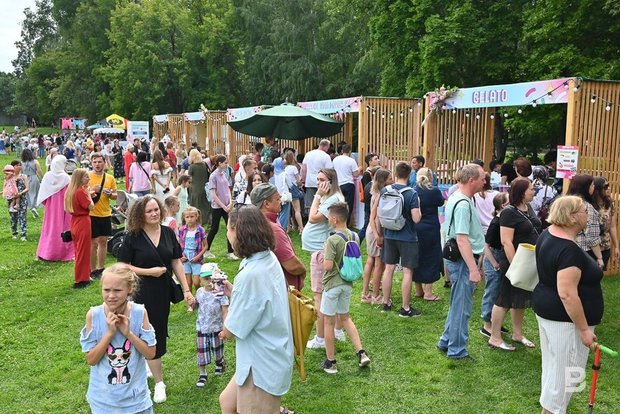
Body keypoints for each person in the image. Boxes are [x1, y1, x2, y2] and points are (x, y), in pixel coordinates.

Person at [117, 195, 195, 404]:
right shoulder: (133, 236)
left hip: (162, 292)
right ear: (140, 214)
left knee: (158, 329)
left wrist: (186, 290)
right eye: (149, 211)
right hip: (139, 292)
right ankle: (159, 382)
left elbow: (176, 262)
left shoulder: (168, 233)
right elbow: (122, 266)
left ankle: (149, 363)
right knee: (145, 331)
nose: (154, 214)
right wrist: (149, 272)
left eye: (156, 209)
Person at [218, 206, 294, 414]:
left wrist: (224, 309)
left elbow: (232, 330)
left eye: (228, 229)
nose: (227, 234)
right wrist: (234, 291)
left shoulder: (250, 274)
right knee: (228, 403)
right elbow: (257, 300)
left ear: (238, 232)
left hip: (260, 364)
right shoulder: (267, 258)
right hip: (268, 353)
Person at [532, 196, 603, 414]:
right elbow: (567, 294)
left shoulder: (548, 234)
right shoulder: (567, 249)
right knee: (566, 377)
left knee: (556, 373)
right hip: (566, 322)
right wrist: (584, 330)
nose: (588, 215)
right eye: (584, 211)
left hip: (550, 313)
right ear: (572, 217)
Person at [79, 264, 156, 414]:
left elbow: (150, 353)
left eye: (117, 290)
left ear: (130, 289)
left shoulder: (139, 312)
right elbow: (91, 360)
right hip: (104, 401)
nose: (111, 295)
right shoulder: (94, 315)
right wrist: (109, 334)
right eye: (106, 290)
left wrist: (128, 334)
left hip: (136, 400)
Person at [437, 163, 485, 360]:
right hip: (464, 261)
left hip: (459, 259)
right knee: (462, 307)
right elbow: (462, 239)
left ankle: (446, 340)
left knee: (458, 303)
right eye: (482, 178)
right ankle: (457, 349)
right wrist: (473, 269)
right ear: (471, 180)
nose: (485, 181)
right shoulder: (463, 204)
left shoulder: (457, 197)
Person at [488, 177, 541, 351]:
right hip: (514, 262)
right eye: (531, 189)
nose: (534, 191)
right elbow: (506, 242)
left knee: (520, 298)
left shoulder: (528, 208)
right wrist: (515, 265)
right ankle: (495, 337)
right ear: (521, 192)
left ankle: (517, 334)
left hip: (528, 261)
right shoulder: (509, 212)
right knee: (504, 299)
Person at [320, 202, 371, 374]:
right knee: (346, 318)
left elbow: (328, 266)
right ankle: (361, 353)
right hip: (347, 283)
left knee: (328, 322)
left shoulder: (332, 240)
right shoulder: (354, 236)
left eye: (329, 218)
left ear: (335, 219)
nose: (328, 220)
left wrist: (324, 251)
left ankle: (331, 362)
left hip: (332, 284)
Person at [302, 168, 346, 349]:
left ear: (331, 181)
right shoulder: (332, 197)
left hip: (321, 250)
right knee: (330, 292)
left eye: (322, 180)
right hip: (321, 248)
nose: (318, 183)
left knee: (319, 295)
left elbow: (313, 218)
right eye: (317, 179)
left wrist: (317, 196)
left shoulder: (333, 198)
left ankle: (321, 338)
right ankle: (337, 330)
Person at [379, 161, 422, 317]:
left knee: (389, 268)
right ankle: (405, 308)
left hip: (389, 234)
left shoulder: (385, 190)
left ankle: (386, 302)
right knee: (407, 271)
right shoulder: (412, 193)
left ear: (395, 174)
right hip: (407, 236)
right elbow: (416, 218)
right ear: (409, 175)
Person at [251, 183, 307, 290]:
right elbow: (292, 265)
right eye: (277, 199)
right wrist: (303, 272)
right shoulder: (272, 229)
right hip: (283, 289)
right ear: (266, 204)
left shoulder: (255, 223)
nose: (281, 200)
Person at [479, 192, 510, 338]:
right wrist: (494, 264)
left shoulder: (504, 221)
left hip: (500, 257)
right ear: (503, 205)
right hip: (494, 258)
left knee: (499, 292)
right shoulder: (495, 223)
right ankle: (487, 325)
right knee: (491, 291)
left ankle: (495, 321)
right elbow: (486, 247)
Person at [194, 263, 229, 388]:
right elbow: (197, 304)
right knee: (202, 351)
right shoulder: (199, 292)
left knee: (217, 349)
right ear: (201, 280)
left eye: (212, 279)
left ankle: (220, 363)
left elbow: (225, 311)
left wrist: (225, 328)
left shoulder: (220, 293)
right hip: (202, 328)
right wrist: (192, 304)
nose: (209, 282)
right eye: (206, 279)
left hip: (216, 328)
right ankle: (202, 374)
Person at [413, 167, 445, 301]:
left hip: (416, 226)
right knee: (431, 257)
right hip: (431, 227)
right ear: (431, 177)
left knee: (417, 256)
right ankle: (428, 292)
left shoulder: (413, 190)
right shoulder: (434, 190)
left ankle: (418, 290)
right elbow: (441, 202)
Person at [36, 155, 74, 261]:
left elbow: (43, 193)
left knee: (50, 227)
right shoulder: (66, 177)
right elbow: (70, 193)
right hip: (64, 207)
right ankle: (64, 253)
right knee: (64, 227)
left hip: (51, 208)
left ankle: (46, 252)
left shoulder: (47, 176)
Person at [89, 153, 118, 280]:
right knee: (93, 243)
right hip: (92, 214)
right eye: (95, 162)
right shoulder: (87, 176)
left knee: (103, 241)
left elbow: (115, 195)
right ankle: (92, 269)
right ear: (91, 163)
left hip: (105, 213)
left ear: (104, 163)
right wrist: (92, 190)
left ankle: (101, 268)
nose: (97, 164)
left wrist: (110, 194)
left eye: (100, 162)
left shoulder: (109, 178)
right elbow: (80, 194)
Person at [360, 167, 386, 303]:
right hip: (376, 231)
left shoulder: (374, 192)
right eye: (390, 178)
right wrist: (377, 235)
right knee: (378, 264)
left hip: (372, 230)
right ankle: (375, 295)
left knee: (370, 261)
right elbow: (373, 217)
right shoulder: (380, 195)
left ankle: (365, 293)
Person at [566, 174, 604, 268]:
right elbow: (591, 236)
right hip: (584, 251)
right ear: (585, 188)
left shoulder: (565, 204)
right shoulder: (586, 207)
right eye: (592, 185)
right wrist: (599, 257)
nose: (594, 187)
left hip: (566, 248)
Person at [65, 168, 94, 288]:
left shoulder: (70, 192)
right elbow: (91, 207)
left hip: (75, 221)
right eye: (86, 176)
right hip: (83, 222)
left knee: (79, 250)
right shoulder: (80, 192)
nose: (88, 178)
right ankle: (81, 279)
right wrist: (89, 195)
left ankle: (85, 275)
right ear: (80, 178)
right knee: (83, 251)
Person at [206, 155, 237, 260]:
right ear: (219, 163)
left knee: (230, 227)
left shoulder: (223, 174)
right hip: (217, 207)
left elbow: (227, 189)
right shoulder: (213, 176)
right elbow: (213, 194)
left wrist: (230, 201)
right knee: (214, 228)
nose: (227, 165)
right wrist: (223, 206)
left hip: (226, 206)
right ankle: (206, 250)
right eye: (225, 163)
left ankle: (230, 251)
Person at [178, 206, 209, 295]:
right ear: (184, 218)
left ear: (196, 217)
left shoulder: (200, 230)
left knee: (196, 282)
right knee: (188, 283)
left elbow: (206, 246)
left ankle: (199, 296)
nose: (189, 219)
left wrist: (198, 257)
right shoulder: (181, 229)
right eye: (187, 217)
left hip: (196, 259)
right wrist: (181, 255)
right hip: (185, 259)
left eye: (192, 217)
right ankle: (190, 300)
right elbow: (179, 243)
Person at [592, 177, 619, 270]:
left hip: (605, 246)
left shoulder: (610, 204)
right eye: (606, 186)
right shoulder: (589, 205)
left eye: (609, 186)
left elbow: (612, 227)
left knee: (600, 274)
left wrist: (616, 246)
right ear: (598, 189)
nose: (609, 188)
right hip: (591, 247)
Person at [302, 139, 333, 215]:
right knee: (322, 202)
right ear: (326, 146)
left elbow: (304, 169)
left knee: (310, 204)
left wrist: (304, 180)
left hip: (309, 182)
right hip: (322, 183)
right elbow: (329, 171)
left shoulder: (308, 154)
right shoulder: (326, 156)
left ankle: (310, 218)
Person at [332, 144, 360, 224]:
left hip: (338, 184)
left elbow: (332, 170)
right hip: (348, 184)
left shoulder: (335, 159)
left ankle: (337, 222)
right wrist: (359, 169)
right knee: (348, 205)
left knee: (338, 205)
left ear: (342, 150)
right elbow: (355, 174)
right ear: (350, 151)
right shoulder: (351, 160)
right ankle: (345, 223)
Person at [359, 153, 381, 240]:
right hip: (370, 205)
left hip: (371, 205)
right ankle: (356, 241)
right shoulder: (367, 174)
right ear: (370, 162)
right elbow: (368, 190)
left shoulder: (372, 173)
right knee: (367, 225)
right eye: (376, 159)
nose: (378, 160)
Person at [188, 148, 211, 226]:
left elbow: (189, 178)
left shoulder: (192, 166)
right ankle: (206, 219)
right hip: (204, 188)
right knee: (204, 205)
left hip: (195, 189)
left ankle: (197, 220)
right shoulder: (204, 164)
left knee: (196, 206)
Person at [7, 161, 29, 240]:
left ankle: (23, 234)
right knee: (13, 217)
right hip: (11, 199)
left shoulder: (24, 176)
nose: (19, 166)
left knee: (23, 217)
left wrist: (20, 193)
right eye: (17, 165)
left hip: (22, 199)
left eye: (20, 165)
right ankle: (14, 233)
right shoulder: (9, 177)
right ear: (13, 167)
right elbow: (6, 187)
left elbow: (27, 188)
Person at [284, 150, 304, 233]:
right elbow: (298, 180)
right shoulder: (294, 168)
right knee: (297, 210)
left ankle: (288, 227)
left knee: (287, 210)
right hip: (294, 189)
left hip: (286, 190)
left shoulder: (284, 169)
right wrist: (301, 183)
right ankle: (301, 228)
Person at [21, 148, 44, 218]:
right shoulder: (35, 161)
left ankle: (30, 206)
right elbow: (39, 170)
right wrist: (43, 178)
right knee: (35, 193)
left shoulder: (21, 163)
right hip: (34, 178)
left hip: (25, 179)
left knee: (27, 194)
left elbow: (21, 172)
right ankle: (34, 207)